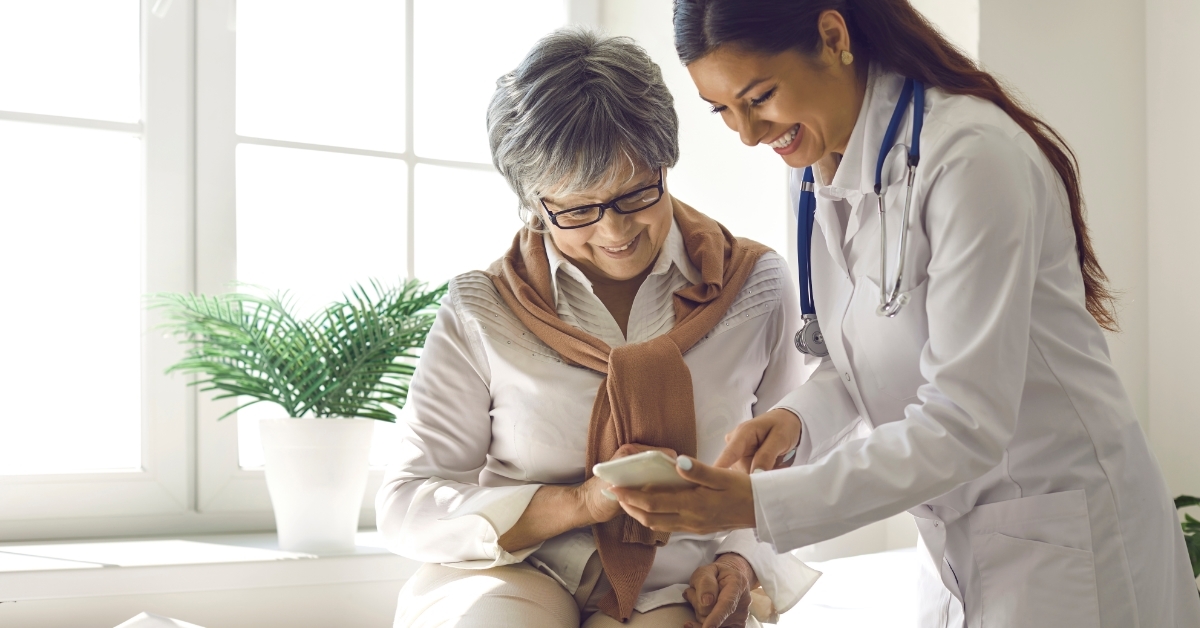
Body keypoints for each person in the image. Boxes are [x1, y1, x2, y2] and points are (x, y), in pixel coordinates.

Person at [608, 1, 1200, 627]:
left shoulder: (970, 158)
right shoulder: (811, 172)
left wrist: (757, 504)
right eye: (723, 111)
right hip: (955, 538)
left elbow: (965, 421)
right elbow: (865, 354)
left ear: (832, 35)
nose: (750, 134)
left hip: (1066, 531)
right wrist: (795, 421)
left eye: (760, 97)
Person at [375, 28, 819, 628]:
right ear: (534, 202)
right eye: (578, 209)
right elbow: (408, 502)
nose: (614, 233)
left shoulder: (756, 285)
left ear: (666, 163)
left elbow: (791, 470)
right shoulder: (483, 308)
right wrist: (577, 504)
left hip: (678, 582)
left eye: (636, 194)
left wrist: (740, 561)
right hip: (518, 565)